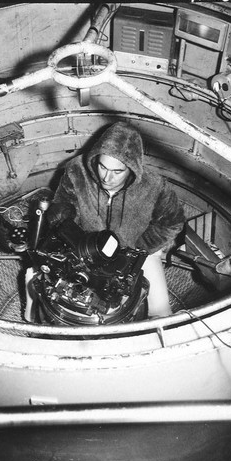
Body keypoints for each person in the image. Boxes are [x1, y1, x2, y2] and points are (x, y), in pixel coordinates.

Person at [49, 121, 185, 318]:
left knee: (162, 315)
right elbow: (62, 206)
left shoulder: (155, 185)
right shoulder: (76, 171)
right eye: (102, 167)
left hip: (136, 251)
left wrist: (140, 248)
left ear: (132, 168)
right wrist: (74, 237)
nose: (106, 178)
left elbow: (172, 222)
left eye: (117, 172)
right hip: (86, 247)